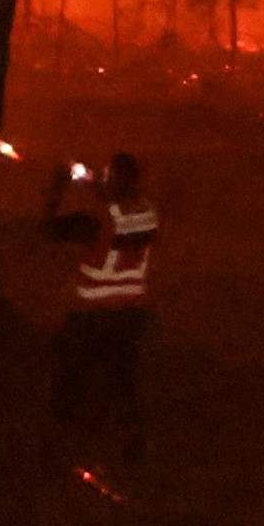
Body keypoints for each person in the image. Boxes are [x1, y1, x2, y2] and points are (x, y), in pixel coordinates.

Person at [44, 146, 156, 476]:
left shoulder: (97, 220)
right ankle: (132, 455)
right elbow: (118, 214)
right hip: (131, 315)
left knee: (68, 385)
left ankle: (60, 454)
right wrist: (96, 187)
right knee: (123, 385)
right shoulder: (146, 212)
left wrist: (57, 190)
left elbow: (49, 230)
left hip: (92, 316)